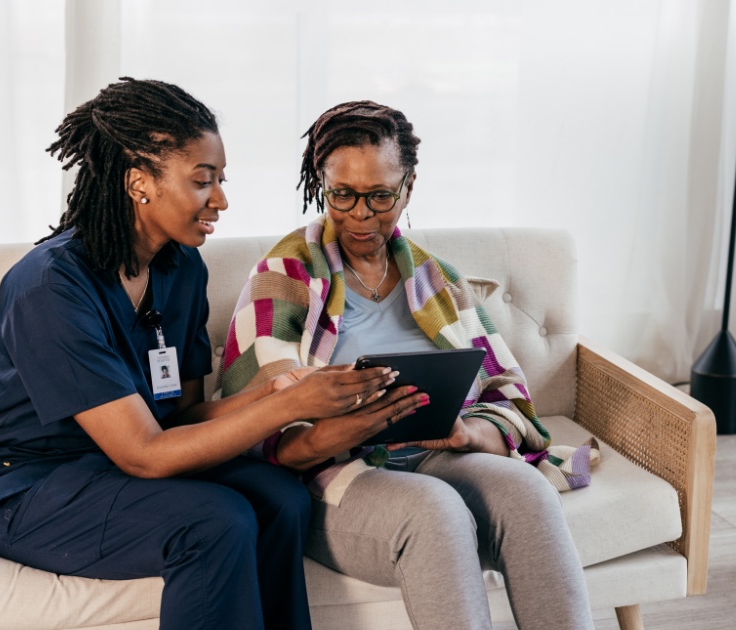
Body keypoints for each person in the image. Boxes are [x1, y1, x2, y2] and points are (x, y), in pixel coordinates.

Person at [0, 80, 425, 630]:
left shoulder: (182, 268)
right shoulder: (50, 287)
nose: (220, 199)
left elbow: (181, 417)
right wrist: (282, 410)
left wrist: (278, 392)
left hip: (113, 467)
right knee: (214, 521)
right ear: (138, 183)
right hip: (22, 485)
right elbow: (144, 454)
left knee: (281, 500)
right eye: (203, 181)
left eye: (220, 180)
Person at [218, 101, 596, 630]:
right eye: (342, 194)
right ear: (320, 183)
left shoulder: (436, 278)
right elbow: (260, 425)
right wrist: (344, 426)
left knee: (527, 492)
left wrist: (467, 434)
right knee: (433, 511)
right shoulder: (284, 275)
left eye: (380, 196)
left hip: (438, 457)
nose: (360, 215)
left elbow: (510, 397)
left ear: (408, 187)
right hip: (336, 475)